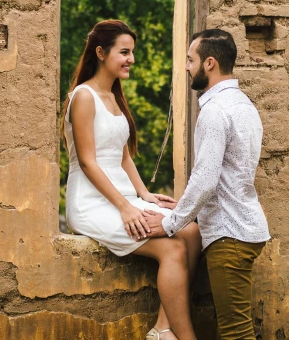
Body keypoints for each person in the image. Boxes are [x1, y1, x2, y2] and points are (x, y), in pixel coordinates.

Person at [62, 20, 202, 340]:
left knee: (191, 231)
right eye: (124, 52)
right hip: (92, 204)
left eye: (132, 52)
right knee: (172, 250)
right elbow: (87, 162)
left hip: (125, 197)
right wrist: (126, 207)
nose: (131, 59)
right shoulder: (83, 97)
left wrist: (144, 194)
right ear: (100, 53)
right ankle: (184, 337)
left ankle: (163, 329)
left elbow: (123, 157)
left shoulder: (113, 96)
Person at [144, 28, 270, 340]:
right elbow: (229, 176)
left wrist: (171, 223)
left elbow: (205, 181)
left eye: (190, 60)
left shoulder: (214, 110)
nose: (186, 66)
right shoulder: (243, 105)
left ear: (209, 63)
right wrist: (187, 210)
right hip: (241, 229)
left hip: (231, 236)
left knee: (236, 333)